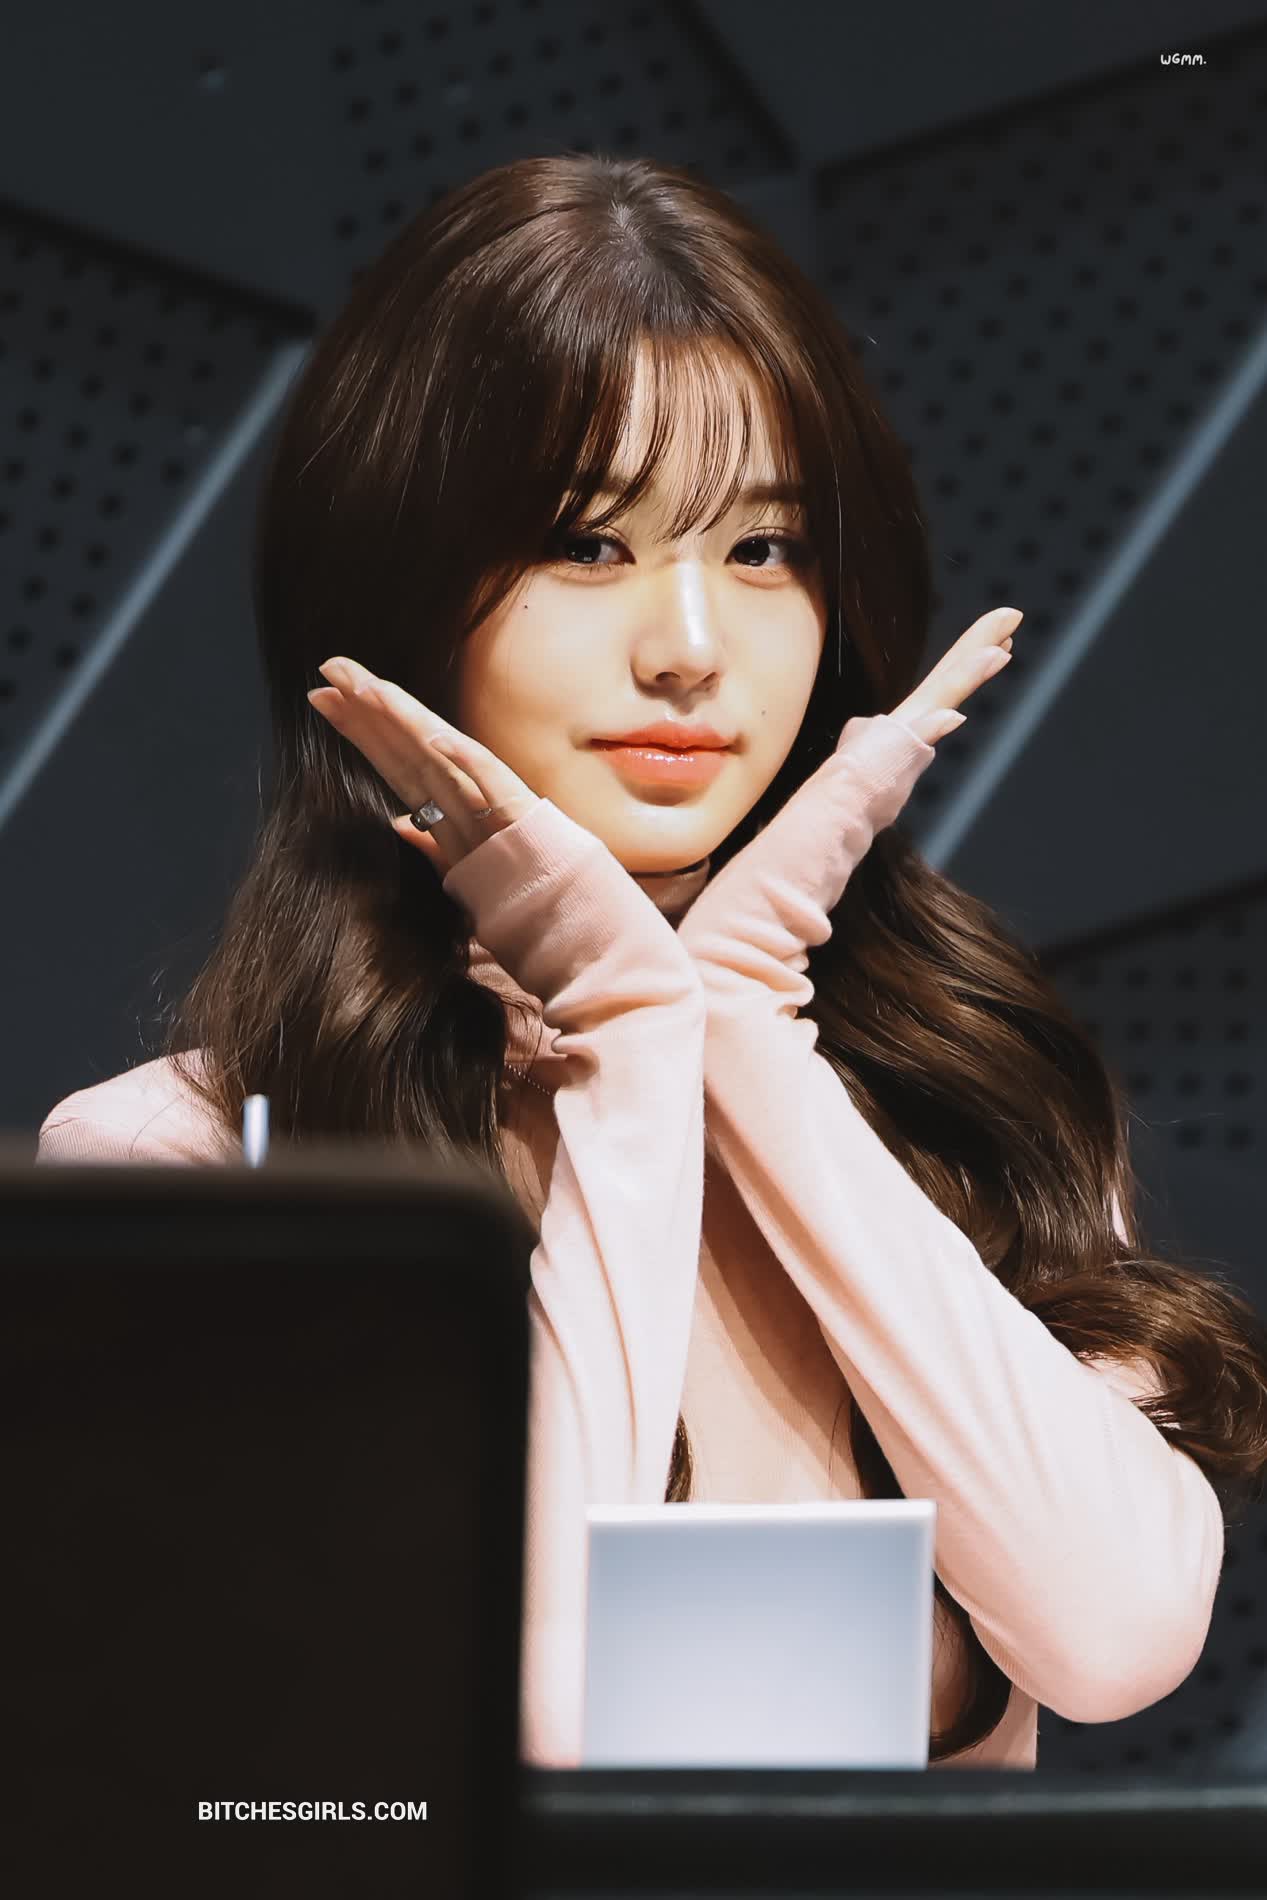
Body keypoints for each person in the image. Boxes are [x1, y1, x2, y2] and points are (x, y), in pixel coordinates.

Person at [38, 153, 1267, 1770]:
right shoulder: (194, 1164)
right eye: (588, 544)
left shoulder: (967, 1101)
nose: (690, 646)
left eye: (764, 549)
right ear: (395, 589)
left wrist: (746, 1026)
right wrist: (627, 1031)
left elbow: (1113, 1642)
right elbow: (519, 1712)